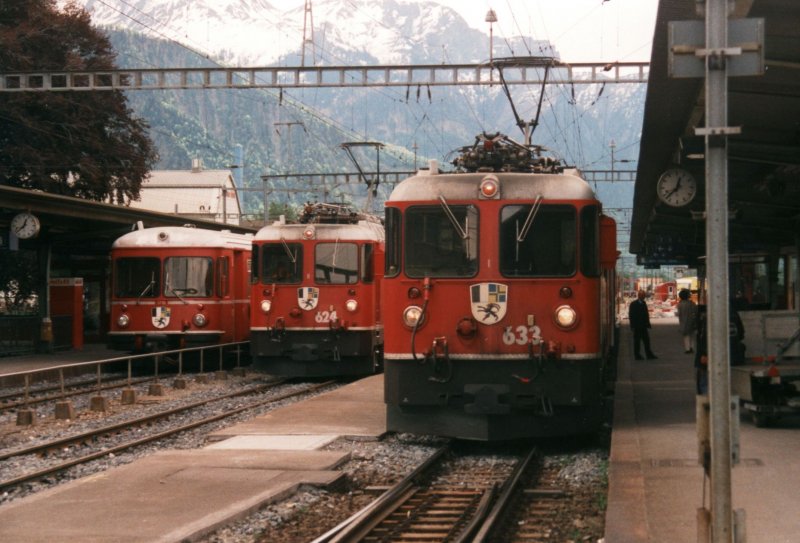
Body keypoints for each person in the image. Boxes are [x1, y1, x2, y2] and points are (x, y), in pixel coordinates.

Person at [628, 289, 657, 360]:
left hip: (643, 326)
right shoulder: (633, 304)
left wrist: (648, 324)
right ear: (639, 296)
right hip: (637, 326)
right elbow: (631, 315)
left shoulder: (644, 303)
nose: (643, 296)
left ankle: (649, 354)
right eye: (642, 295)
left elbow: (646, 315)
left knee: (646, 341)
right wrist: (632, 326)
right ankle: (637, 355)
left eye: (644, 295)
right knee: (637, 342)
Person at [676, 289, 698, 353]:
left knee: (686, 336)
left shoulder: (680, 304)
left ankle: (687, 349)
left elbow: (679, 313)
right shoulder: (692, 303)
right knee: (692, 335)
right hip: (691, 321)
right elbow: (696, 311)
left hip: (683, 322)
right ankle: (692, 347)